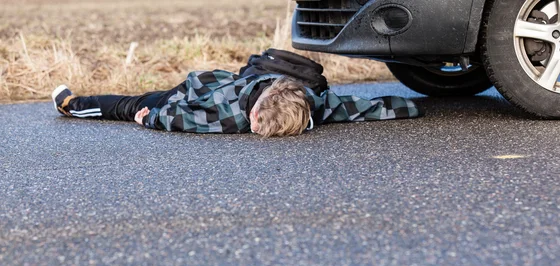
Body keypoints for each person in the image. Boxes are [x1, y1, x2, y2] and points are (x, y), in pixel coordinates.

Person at [51, 49, 419, 138]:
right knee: (141, 101)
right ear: (255, 116)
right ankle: (76, 106)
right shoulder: (227, 115)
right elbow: (183, 119)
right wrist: (152, 119)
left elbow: (363, 107)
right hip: (202, 89)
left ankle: (74, 105)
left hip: (202, 86)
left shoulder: (314, 105)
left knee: (134, 102)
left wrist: (406, 106)